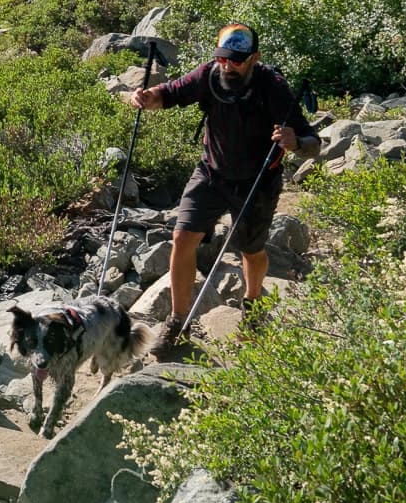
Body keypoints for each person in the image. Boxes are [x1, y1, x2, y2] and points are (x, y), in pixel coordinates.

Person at [120, 23, 319, 347]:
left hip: (258, 182)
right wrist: (145, 97)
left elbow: (314, 143)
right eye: (223, 58)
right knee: (182, 238)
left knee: (251, 252)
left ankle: (253, 303)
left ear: (254, 57)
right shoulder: (209, 76)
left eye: (236, 60)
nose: (228, 65)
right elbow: (167, 94)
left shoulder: (273, 86)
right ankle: (177, 322)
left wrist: (294, 142)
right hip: (211, 174)